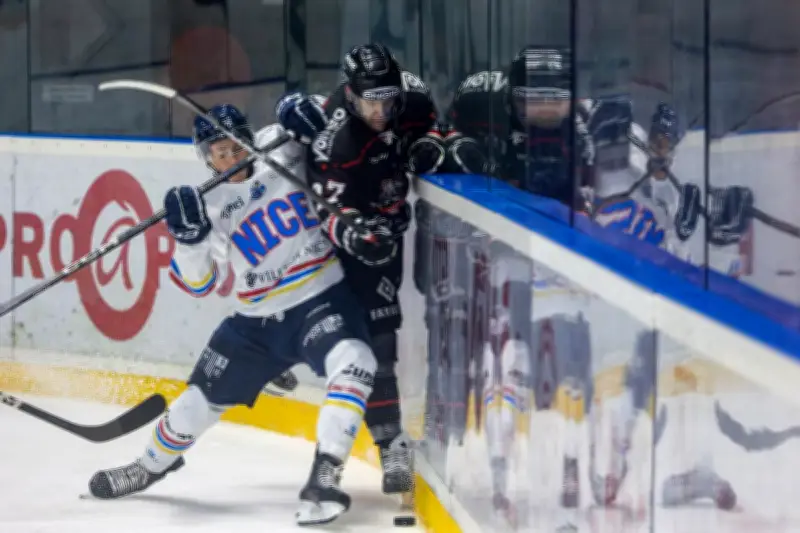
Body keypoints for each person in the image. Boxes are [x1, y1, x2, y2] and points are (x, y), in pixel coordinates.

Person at [86, 104, 378, 526]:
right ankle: (149, 466)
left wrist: (303, 111)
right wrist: (189, 240)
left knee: (356, 361)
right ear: (206, 158)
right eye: (218, 154)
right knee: (191, 407)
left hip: (320, 299)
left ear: (249, 139)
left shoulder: (283, 147)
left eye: (234, 148)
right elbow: (199, 284)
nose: (229, 160)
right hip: (255, 326)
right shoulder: (207, 204)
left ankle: (325, 474)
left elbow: (331, 115)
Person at [274, 42, 439, 496]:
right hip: (334, 246)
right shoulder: (335, 138)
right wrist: (354, 233)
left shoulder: (415, 96)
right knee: (332, 331)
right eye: (371, 101)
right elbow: (325, 209)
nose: (382, 110)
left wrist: (432, 148)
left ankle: (391, 445)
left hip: (385, 235)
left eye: (388, 98)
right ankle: (274, 356)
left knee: (381, 343)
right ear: (350, 93)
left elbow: (432, 131)